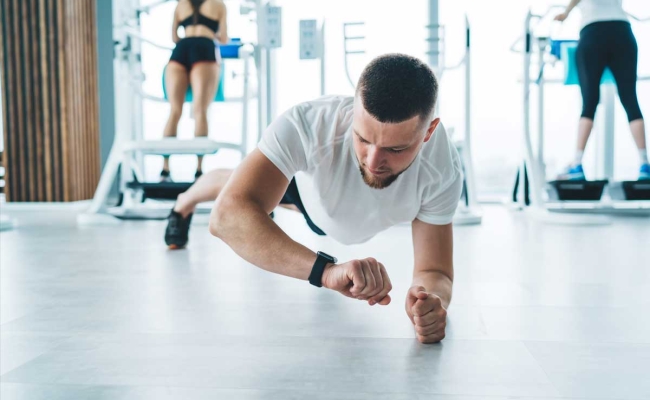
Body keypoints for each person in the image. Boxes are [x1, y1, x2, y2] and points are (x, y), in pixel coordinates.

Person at [165, 54, 463, 344]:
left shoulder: (442, 168)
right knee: (233, 187)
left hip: (339, 212)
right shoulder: (309, 124)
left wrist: (429, 300)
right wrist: (326, 272)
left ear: (429, 131)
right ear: (354, 109)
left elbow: (434, 271)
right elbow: (227, 217)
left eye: (395, 150)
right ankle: (183, 203)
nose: (374, 161)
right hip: (310, 194)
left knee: (246, 195)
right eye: (362, 139)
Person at [554, 0, 649, 181]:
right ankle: (645, 164)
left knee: (589, 102)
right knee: (630, 98)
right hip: (622, 31)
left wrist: (566, 13)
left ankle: (577, 163)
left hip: (593, 31)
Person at [161, 0, 229, 182]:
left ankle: (165, 170)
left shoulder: (181, 4)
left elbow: (174, 37)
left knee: (174, 111)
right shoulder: (218, 4)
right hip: (204, 49)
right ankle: (199, 171)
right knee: (200, 110)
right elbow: (223, 38)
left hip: (181, 50)